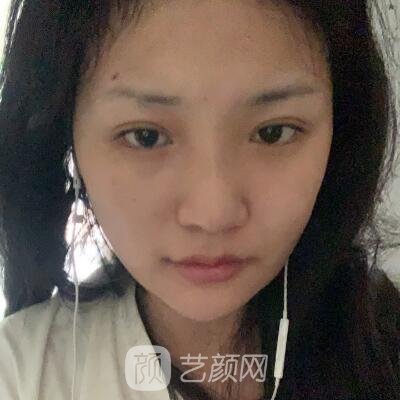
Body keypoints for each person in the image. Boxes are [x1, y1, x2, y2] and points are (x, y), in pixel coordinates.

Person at [0, 0, 399, 399]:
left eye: (273, 132)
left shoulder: (383, 346)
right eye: (146, 137)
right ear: (68, 137)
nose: (213, 214)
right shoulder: (20, 376)